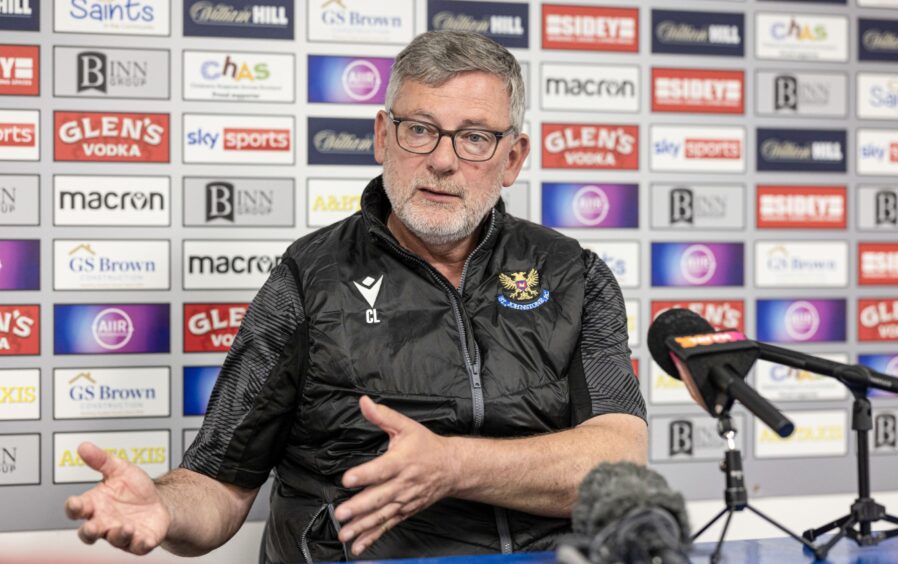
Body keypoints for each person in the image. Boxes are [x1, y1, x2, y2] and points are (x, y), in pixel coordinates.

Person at [64, 30, 647, 563]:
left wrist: (451, 465)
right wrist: (164, 507)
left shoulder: (574, 274)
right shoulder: (308, 277)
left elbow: (620, 462)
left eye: (474, 138)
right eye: (419, 129)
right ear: (381, 136)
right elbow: (220, 484)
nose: (443, 160)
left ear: (513, 158)